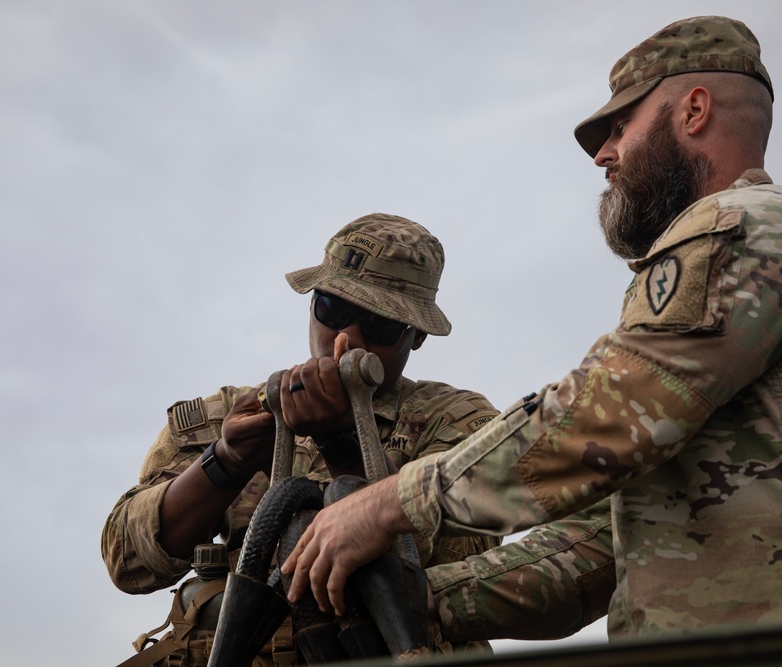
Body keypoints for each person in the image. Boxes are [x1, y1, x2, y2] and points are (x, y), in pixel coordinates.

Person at [281, 16, 782, 641]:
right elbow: (601, 543)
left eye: (620, 124)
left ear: (694, 110)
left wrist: (395, 500)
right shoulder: (722, 267)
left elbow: (607, 413)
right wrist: (421, 601)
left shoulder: (755, 225)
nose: (603, 153)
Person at [101, 213, 501, 663]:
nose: (347, 339)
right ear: (311, 304)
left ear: (417, 336)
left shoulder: (459, 423)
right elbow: (127, 560)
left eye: (382, 326)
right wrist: (225, 462)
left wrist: (344, 442)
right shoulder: (225, 417)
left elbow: (452, 556)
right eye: (333, 310)